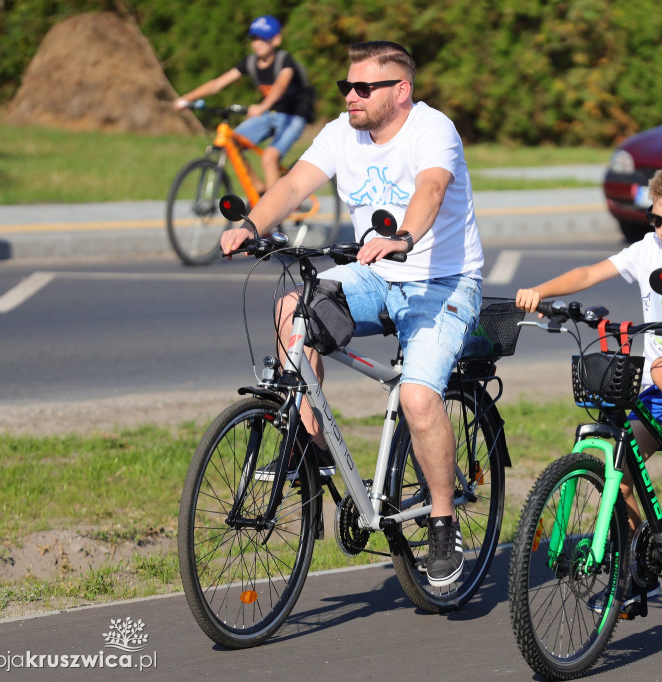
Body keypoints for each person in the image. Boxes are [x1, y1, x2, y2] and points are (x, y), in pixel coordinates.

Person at [220, 40, 484, 588]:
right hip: (373, 274)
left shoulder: (433, 130)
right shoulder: (342, 132)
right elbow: (293, 183)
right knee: (293, 309)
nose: (351, 97)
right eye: (347, 86)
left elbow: (432, 187)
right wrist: (251, 225)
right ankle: (309, 449)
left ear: (401, 90)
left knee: (417, 396)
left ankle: (441, 520)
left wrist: (404, 236)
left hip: (442, 282)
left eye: (364, 88)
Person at [515, 159, 662, 609]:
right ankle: (640, 568)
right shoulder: (646, 251)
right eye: (656, 218)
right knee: (614, 465)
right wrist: (542, 292)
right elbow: (588, 274)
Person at [174, 15, 314, 193]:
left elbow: (280, 85)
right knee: (231, 143)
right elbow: (217, 83)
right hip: (269, 113)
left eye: (264, 38)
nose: (258, 43)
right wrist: (187, 98)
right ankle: (260, 190)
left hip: (294, 116)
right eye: (255, 38)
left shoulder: (284, 60)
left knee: (269, 157)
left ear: (277, 40)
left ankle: (272, 210)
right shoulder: (250, 62)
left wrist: (262, 106)